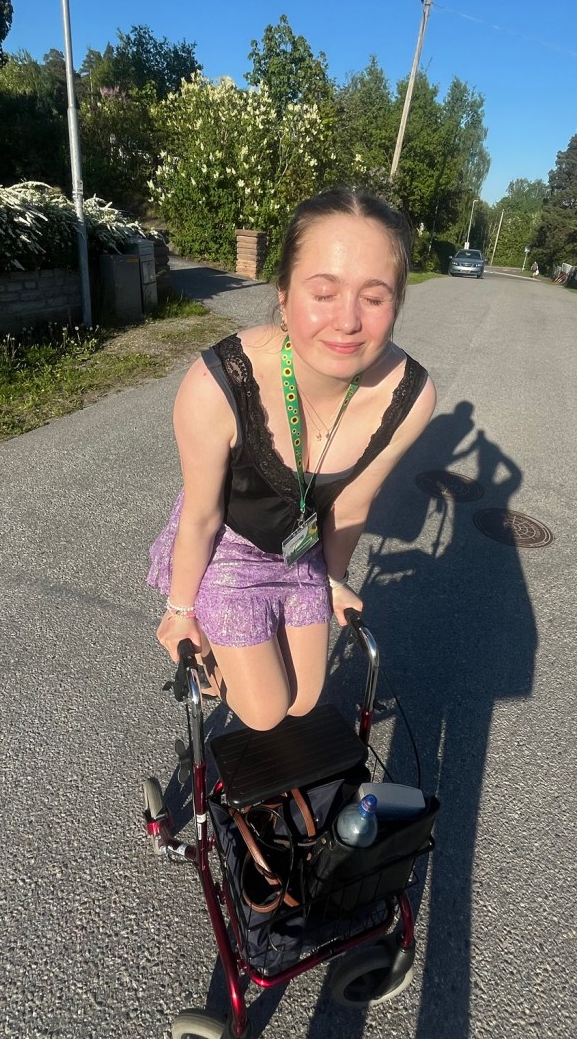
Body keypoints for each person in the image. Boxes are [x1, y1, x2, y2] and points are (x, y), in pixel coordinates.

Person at [148, 188, 436, 731]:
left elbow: (352, 503)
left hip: (300, 551)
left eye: (374, 298)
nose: (347, 321)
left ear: (397, 303)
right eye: (323, 293)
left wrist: (334, 579)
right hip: (228, 547)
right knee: (264, 712)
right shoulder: (218, 384)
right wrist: (181, 611)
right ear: (283, 295)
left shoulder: (410, 396)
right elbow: (202, 516)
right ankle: (211, 657)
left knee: (304, 700)